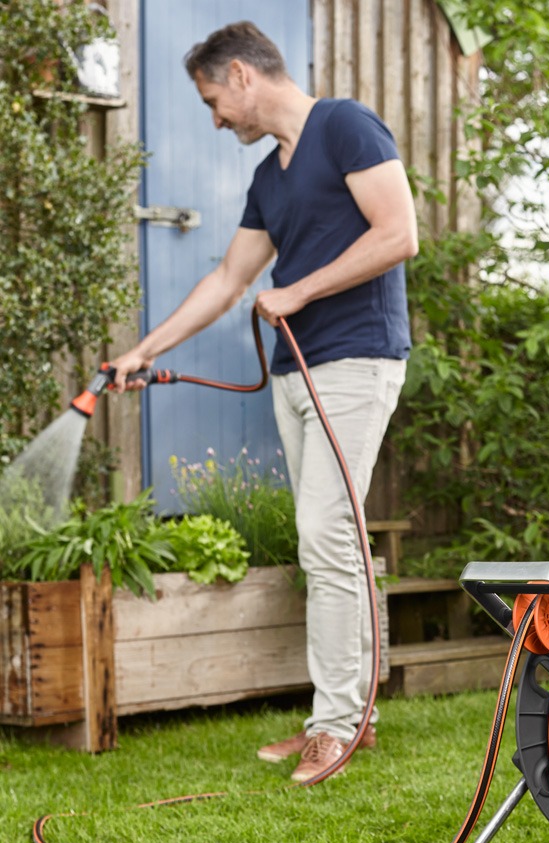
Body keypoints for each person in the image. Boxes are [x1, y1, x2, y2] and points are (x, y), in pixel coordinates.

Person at [110, 21, 418, 783]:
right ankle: (349, 717)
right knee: (333, 543)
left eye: (214, 101)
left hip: (356, 359)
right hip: (295, 372)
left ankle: (337, 726)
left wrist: (301, 289)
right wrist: (144, 351)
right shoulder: (269, 177)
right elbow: (226, 281)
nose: (216, 119)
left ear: (242, 76)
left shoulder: (344, 126)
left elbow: (400, 232)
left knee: (324, 530)